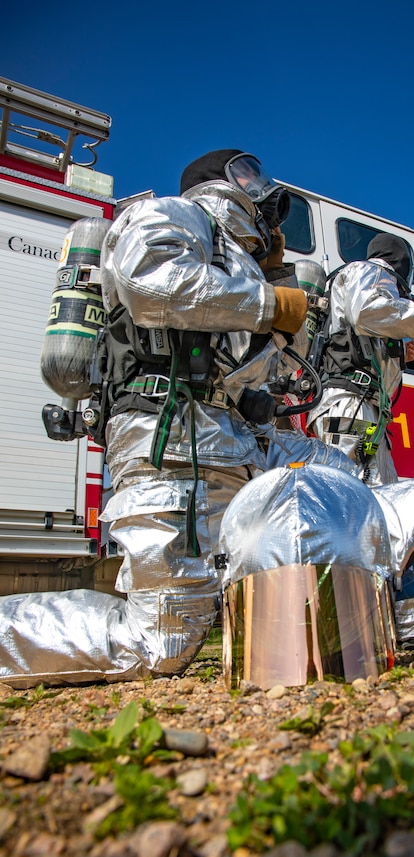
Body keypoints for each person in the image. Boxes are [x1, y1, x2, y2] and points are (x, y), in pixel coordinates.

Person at [0, 149, 358, 687]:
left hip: (235, 436)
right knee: (160, 643)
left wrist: (275, 275)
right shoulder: (181, 215)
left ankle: (365, 623)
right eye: (247, 173)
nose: (260, 188)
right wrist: (266, 300)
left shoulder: (236, 266)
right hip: (169, 434)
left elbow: (280, 368)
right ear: (218, 181)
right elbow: (152, 282)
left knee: (345, 476)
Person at [305, 233, 414, 638]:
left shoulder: (357, 282)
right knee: (365, 516)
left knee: (384, 517)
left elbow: (366, 329)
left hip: (362, 417)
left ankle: (403, 620)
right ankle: (375, 623)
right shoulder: (369, 272)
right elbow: (369, 311)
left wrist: (396, 350)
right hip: (352, 413)